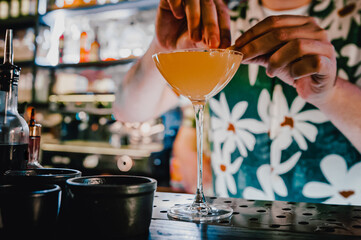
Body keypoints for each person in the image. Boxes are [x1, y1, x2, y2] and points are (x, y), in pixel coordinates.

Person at [113, 0, 361, 205]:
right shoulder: (220, 23)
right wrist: (162, 45)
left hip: (338, 224)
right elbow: (128, 110)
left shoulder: (354, 18)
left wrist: (330, 94)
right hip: (232, 224)